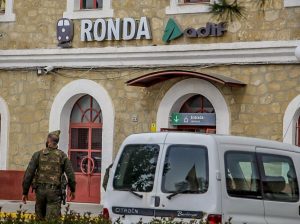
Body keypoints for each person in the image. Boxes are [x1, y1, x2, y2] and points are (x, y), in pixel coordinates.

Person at [22, 130, 76, 220]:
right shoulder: (62, 156)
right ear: (56, 142)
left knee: (40, 219)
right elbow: (70, 175)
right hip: (54, 192)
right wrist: (73, 190)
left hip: (40, 191)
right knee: (52, 220)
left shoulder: (38, 154)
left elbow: (29, 174)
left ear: (48, 140)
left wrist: (25, 192)